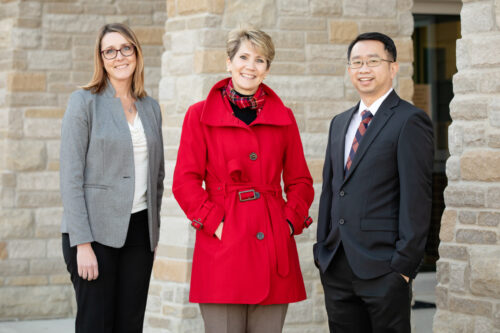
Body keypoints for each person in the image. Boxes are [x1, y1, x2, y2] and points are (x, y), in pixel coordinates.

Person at [172, 28, 314, 333]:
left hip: (272, 245)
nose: (250, 66)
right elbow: (185, 182)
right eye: (244, 57)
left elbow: (301, 181)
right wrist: (216, 223)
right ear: (229, 62)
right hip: (222, 250)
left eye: (260, 60)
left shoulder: (284, 117)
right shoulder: (199, 115)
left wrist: (288, 223)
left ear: (267, 68)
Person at [314, 32, 434, 333]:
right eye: (356, 62)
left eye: (373, 61)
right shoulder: (340, 122)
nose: (363, 69)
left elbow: (416, 199)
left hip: (385, 268)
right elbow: (331, 189)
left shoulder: (409, 120)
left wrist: (403, 267)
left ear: (392, 68)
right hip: (337, 264)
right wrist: (322, 249)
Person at [60, 23, 164, 333]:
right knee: (96, 325)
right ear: (101, 58)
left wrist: (153, 235)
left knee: (130, 325)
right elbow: (70, 177)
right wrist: (82, 244)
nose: (119, 56)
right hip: (94, 235)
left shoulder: (151, 108)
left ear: (136, 53)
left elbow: (156, 176)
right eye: (110, 51)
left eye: (125, 48)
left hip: (139, 234)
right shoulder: (84, 103)